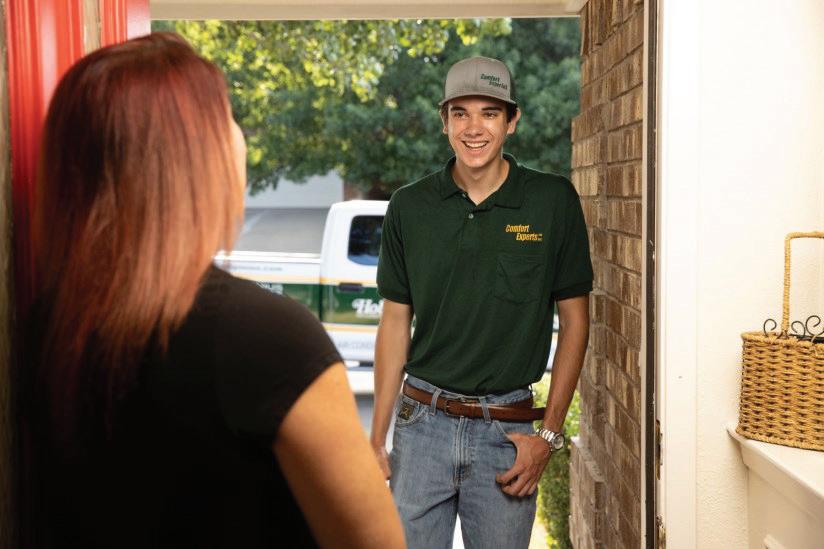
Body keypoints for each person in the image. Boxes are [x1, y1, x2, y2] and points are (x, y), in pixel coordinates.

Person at [23, 32, 404, 549]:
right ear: (190, 161)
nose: (239, 138)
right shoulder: (266, 338)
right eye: (227, 118)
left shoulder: (45, 328)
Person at [370, 56, 592, 548]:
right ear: (444, 121)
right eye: (461, 113)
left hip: (507, 433)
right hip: (421, 425)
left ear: (512, 121)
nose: (474, 128)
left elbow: (576, 323)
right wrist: (376, 438)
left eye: (489, 113)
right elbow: (394, 323)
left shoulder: (552, 201)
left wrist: (548, 436)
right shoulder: (410, 206)